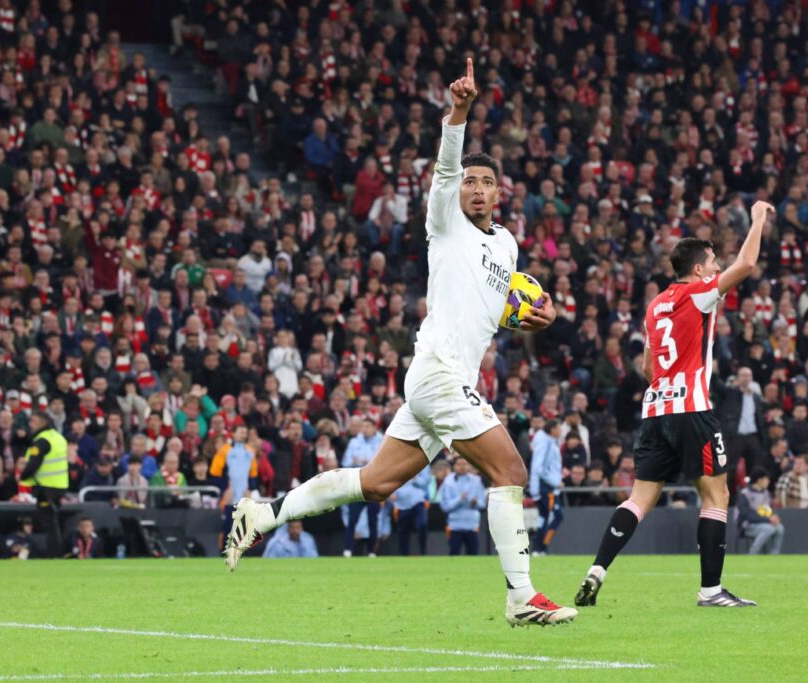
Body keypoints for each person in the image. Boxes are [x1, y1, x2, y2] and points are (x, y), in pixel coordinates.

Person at [224, 60, 576, 625]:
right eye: (470, 180)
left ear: (500, 193)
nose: (477, 188)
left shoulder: (506, 247)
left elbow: (490, 306)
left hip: (442, 379)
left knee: (375, 483)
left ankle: (262, 515)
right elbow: (444, 167)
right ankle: (521, 598)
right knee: (509, 472)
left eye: (487, 182)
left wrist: (534, 316)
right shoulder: (445, 220)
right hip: (439, 373)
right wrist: (458, 114)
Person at [575, 201, 774, 609]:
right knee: (716, 495)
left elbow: (648, 364)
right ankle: (711, 591)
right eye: (713, 262)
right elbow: (748, 265)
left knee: (638, 499)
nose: (718, 268)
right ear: (699, 269)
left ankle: (598, 569)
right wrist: (756, 220)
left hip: (655, 411)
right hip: (692, 409)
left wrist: (665, 390)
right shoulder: (698, 294)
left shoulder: (655, 305)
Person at [20, 411, 69, 557]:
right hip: (60, 485)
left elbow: (34, 463)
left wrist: (22, 476)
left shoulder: (42, 440)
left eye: (33, 421)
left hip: (45, 487)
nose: (30, 424)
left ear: (42, 422)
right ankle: (58, 552)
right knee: (55, 522)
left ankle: (54, 554)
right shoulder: (58, 437)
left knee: (49, 524)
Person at [341, 418, 383, 557]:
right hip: (357, 486)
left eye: (367, 426)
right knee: (352, 519)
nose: (364, 429)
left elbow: (384, 462)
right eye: (363, 426)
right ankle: (347, 550)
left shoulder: (382, 441)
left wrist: (370, 463)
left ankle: (372, 551)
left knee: (373, 520)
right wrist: (354, 461)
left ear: (374, 428)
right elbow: (345, 462)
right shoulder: (354, 442)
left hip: (373, 487)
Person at [529, 419, 564, 555]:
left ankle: (537, 549)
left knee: (543, 518)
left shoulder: (547, 442)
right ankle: (541, 547)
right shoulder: (546, 444)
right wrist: (555, 482)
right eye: (558, 428)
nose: (561, 431)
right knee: (556, 517)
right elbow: (540, 468)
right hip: (547, 487)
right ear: (552, 430)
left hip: (543, 487)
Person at [439, 456, 486, 556]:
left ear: (469, 466)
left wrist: (476, 502)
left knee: (473, 555)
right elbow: (445, 507)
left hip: (472, 525)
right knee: (454, 554)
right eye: (459, 464)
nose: (462, 467)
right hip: (455, 525)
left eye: (465, 464)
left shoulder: (476, 480)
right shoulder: (448, 481)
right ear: (454, 466)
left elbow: (483, 504)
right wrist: (459, 499)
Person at [736, 467, 785, 554]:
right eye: (767, 479)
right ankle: (753, 553)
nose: (768, 482)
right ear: (760, 480)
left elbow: (771, 509)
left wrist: (774, 516)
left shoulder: (766, 493)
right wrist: (768, 519)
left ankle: (774, 555)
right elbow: (747, 514)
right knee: (769, 529)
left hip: (765, 522)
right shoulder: (744, 494)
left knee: (779, 528)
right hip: (747, 525)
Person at [392, 466, 431, 556]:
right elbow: (391, 479)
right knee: (403, 531)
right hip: (401, 502)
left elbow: (425, 482)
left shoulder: (423, 461)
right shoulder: (396, 460)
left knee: (422, 524)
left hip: (418, 500)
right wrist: (391, 494)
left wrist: (415, 477)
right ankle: (404, 555)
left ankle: (423, 552)